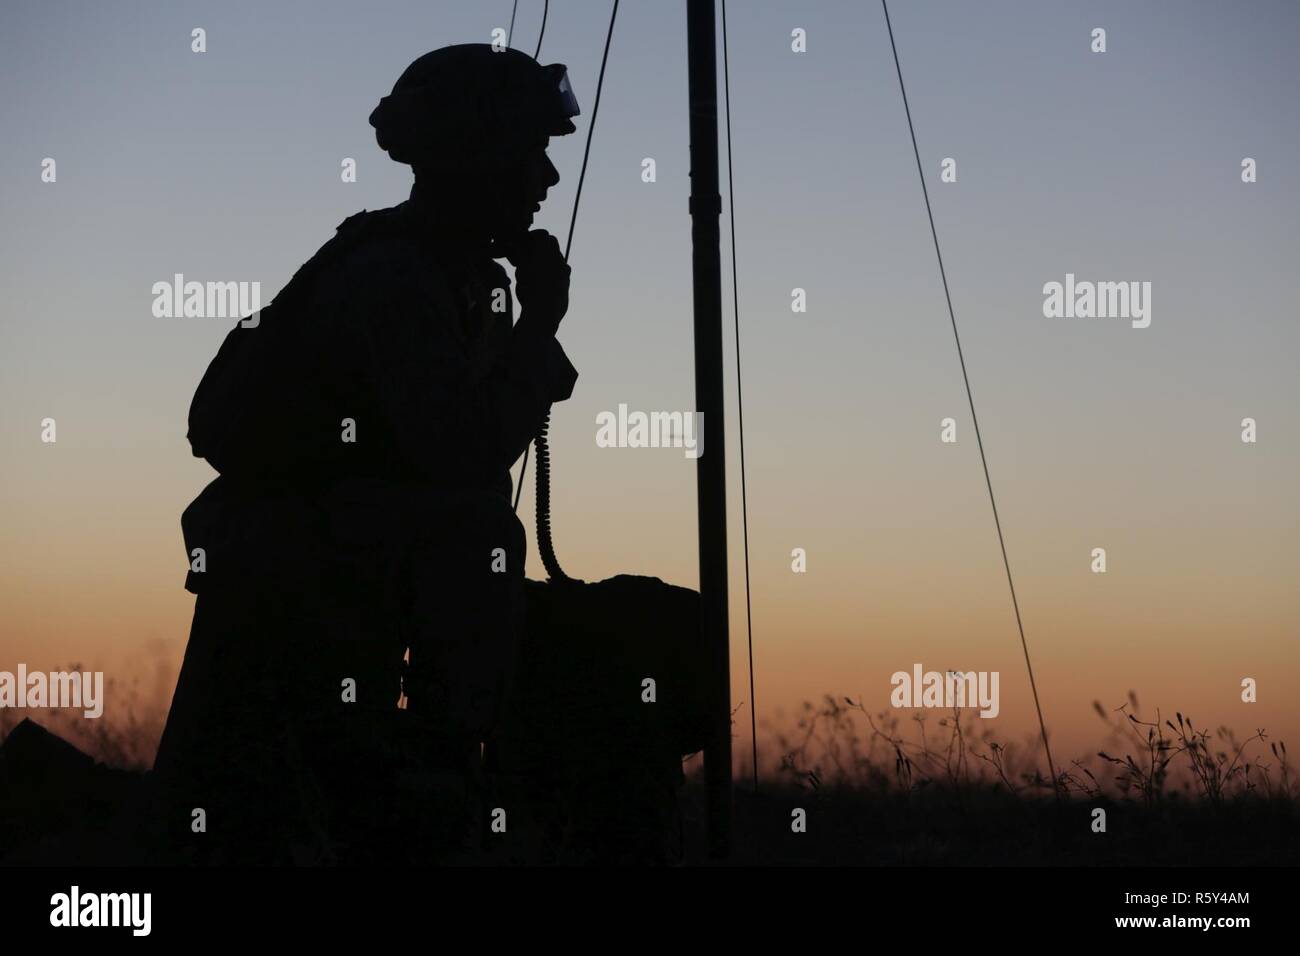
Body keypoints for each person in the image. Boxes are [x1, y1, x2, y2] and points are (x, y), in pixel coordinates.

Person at [152, 44, 580, 862]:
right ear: (477, 158)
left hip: (351, 574)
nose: (546, 181)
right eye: (531, 156)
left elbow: (466, 460)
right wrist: (539, 330)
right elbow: (460, 453)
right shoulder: (393, 277)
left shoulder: (462, 279)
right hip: (304, 581)